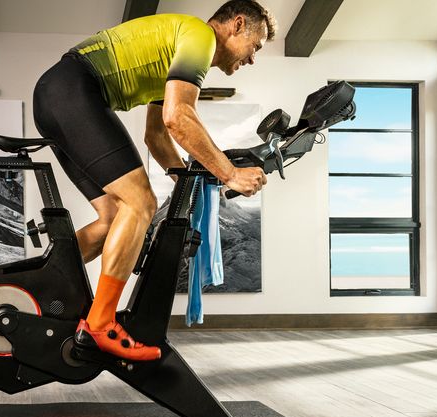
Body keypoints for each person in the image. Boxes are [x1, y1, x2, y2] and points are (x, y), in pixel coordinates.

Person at [32, 1, 276, 361]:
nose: (253, 59)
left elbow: (157, 135)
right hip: (74, 90)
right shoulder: (200, 37)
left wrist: (184, 181)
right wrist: (230, 173)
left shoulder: (176, 54)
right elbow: (180, 117)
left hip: (57, 94)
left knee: (114, 219)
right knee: (141, 202)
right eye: (255, 46)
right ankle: (99, 325)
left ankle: (27, 293)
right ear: (237, 24)